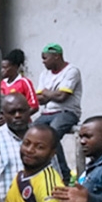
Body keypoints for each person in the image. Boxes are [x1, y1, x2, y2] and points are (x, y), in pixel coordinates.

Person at [35, 43, 82, 181]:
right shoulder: (44, 74)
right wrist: (52, 94)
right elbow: (40, 99)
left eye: (45, 58)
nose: (43, 62)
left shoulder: (72, 71)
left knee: (52, 133)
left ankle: (64, 175)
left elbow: (62, 97)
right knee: (32, 131)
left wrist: (47, 93)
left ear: (56, 56)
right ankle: (41, 170)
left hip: (67, 112)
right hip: (47, 113)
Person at [1, 49, 39, 114]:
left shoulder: (24, 82)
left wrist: (19, 118)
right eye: (1, 67)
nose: (2, 70)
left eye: (5, 68)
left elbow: (34, 106)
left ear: (15, 67)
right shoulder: (2, 83)